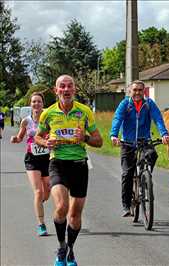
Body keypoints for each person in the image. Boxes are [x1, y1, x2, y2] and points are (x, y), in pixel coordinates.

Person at [35, 75, 103, 266]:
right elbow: (37, 137)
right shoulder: (47, 114)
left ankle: (71, 250)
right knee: (61, 207)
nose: (66, 89)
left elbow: (99, 141)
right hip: (58, 163)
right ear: (56, 90)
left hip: (80, 165)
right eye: (62, 87)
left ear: (74, 90)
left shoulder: (85, 112)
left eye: (69, 86)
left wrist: (86, 138)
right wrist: (45, 142)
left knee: (75, 215)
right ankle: (62, 246)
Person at [110, 80, 169, 217]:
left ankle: (145, 176)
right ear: (130, 91)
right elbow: (117, 119)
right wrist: (114, 135)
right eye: (135, 90)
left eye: (140, 90)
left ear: (144, 91)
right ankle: (126, 205)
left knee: (152, 155)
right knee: (127, 174)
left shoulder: (149, 104)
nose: (137, 92)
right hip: (128, 143)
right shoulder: (125, 104)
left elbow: (158, 119)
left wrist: (164, 134)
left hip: (144, 140)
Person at [10, 92, 50, 236]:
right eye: (34, 102)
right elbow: (20, 137)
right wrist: (15, 138)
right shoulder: (26, 121)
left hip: (47, 158)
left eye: (39, 101)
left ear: (43, 104)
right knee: (38, 192)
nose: (36, 104)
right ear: (30, 104)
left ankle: (41, 200)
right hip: (32, 158)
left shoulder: (48, 119)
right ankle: (41, 224)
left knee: (47, 192)